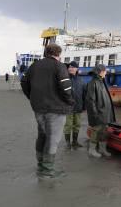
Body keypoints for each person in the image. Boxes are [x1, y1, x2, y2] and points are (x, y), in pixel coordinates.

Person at [21, 44, 74, 179]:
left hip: (39, 108)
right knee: (53, 139)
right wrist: (70, 101)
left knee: (42, 136)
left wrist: (31, 97)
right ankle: (47, 170)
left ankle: (41, 165)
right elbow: (66, 87)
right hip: (56, 108)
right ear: (58, 54)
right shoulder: (59, 66)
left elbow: (24, 82)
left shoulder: (34, 66)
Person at [85, 64, 116, 158]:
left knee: (104, 131)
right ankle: (92, 150)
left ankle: (102, 149)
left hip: (105, 112)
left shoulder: (102, 81)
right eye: (105, 71)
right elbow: (90, 101)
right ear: (100, 72)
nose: (106, 72)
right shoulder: (93, 83)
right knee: (96, 130)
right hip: (99, 113)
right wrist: (94, 114)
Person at [63, 61, 87, 150]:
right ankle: (68, 143)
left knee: (77, 124)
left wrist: (84, 106)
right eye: (70, 67)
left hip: (78, 107)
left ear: (77, 69)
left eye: (73, 67)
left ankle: (75, 142)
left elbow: (84, 94)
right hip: (68, 107)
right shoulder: (64, 79)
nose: (71, 68)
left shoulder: (81, 81)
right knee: (68, 125)